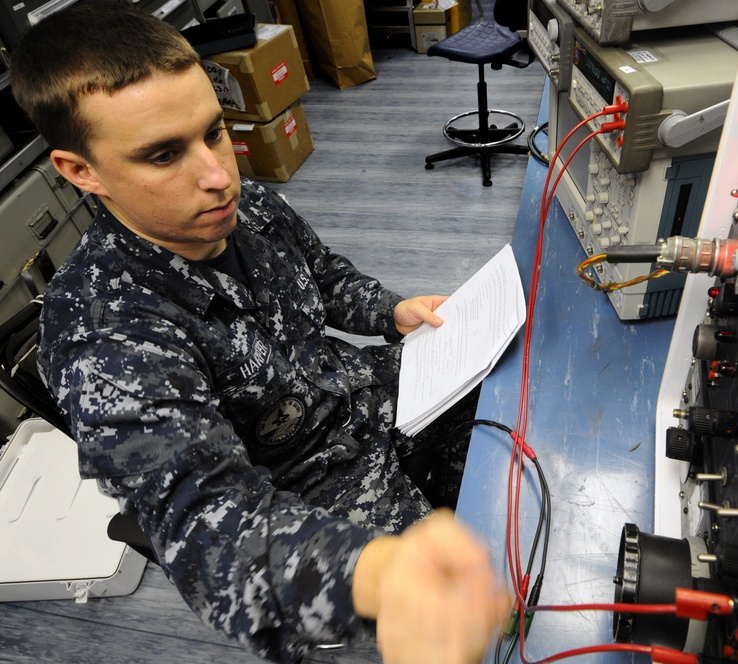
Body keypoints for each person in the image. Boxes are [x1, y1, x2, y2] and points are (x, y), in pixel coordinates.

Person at [9, 3, 508, 663]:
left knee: (503, 396)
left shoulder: (248, 208)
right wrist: (380, 576)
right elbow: (208, 524)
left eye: (212, 133)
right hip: (302, 497)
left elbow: (325, 277)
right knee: (438, 604)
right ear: (81, 171)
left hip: (354, 396)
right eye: (163, 155)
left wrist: (392, 310)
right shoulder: (104, 330)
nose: (218, 176)